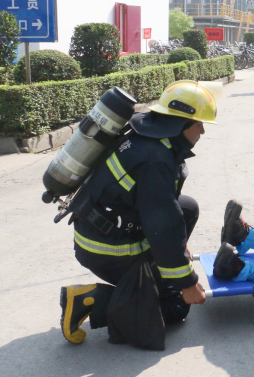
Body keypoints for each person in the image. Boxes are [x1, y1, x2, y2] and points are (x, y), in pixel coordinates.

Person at [59, 80, 220, 347]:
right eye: (199, 124)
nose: (202, 131)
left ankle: (151, 277)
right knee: (175, 307)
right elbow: (163, 226)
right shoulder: (155, 159)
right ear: (183, 122)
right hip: (106, 249)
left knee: (187, 208)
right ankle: (89, 299)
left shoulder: (149, 133)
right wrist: (187, 283)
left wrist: (181, 250)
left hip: (103, 227)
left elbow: (167, 208)